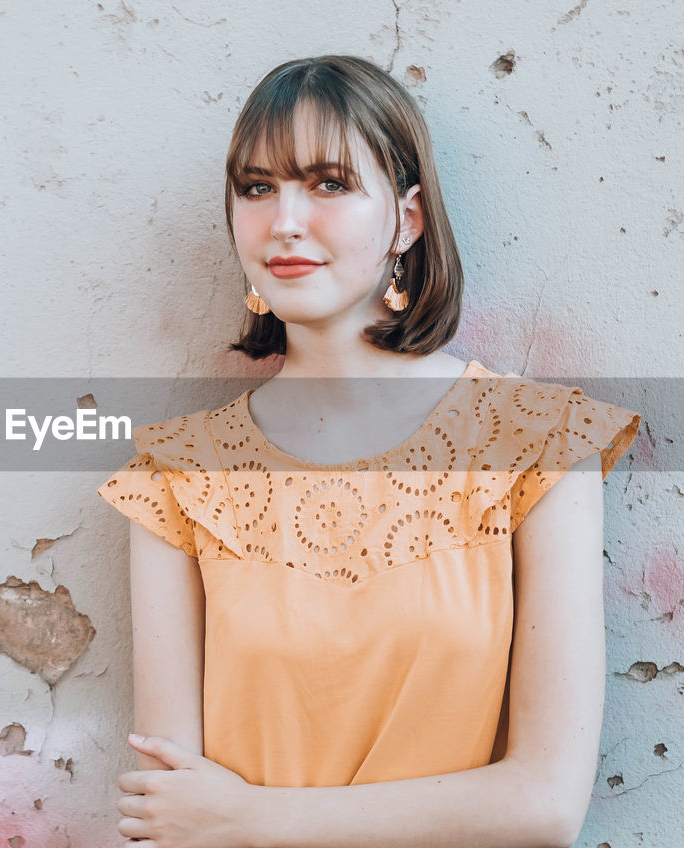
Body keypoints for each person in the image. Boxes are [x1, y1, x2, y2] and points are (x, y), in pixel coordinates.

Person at [96, 54, 641, 848]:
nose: (284, 220)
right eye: (256, 187)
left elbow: (545, 803)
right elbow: (175, 819)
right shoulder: (180, 477)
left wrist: (255, 821)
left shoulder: (538, 442)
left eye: (328, 183)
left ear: (408, 220)